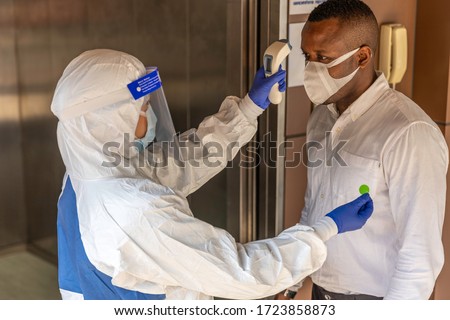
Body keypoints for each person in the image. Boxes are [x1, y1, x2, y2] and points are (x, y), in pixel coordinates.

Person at [51, 49, 373, 300]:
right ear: (110, 120)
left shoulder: (87, 176)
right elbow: (240, 270)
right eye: (143, 109)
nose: (147, 119)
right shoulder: (133, 210)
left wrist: (248, 109)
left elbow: (178, 162)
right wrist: (324, 230)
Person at [283, 0, 448, 300]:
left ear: (362, 56)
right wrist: (291, 282)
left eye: (324, 58)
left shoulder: (408, 133)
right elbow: (313, 208)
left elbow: (419, 257)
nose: (311, 69)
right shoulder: (320, 118)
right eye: (308, 57)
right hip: (322, 292)